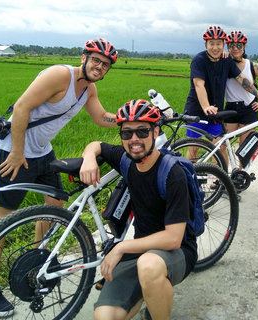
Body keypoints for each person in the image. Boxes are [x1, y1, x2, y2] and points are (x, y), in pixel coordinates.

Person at [0, 38, 119, 317]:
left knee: (55, 208)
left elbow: (101, 117)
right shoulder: (60, 75)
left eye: (105, 65)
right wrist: (18, 153)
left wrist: (133, 117)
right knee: (3, 216)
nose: (99, 66)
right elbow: (21, 107)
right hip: (15, 151)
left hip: (43, 153)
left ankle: (37, 261)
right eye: (96, 60)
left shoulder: (88, 90)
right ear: (84, 57)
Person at [79, 100, 197, 320]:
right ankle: (150, 291)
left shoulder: (173, 174)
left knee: (149, 266)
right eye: (127, 133)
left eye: (142, 131)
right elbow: (96, 145)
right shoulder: (126, 160)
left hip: (178, 251)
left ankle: (155, 306)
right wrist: (88, 159)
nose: (134, 139)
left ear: (156, 132)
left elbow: (173, 238)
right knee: (104, 317)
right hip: (141, 251)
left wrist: (121, 248)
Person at [183, 26, 258, 161]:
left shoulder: (226, 60)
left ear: (224, 45)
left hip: (215, 112)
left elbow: (242, 79)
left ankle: (220, 179)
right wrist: (206, 107)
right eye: (211, 43)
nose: (215, 47)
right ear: (205, 44)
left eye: (219, 43)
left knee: (220, 147)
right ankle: (192, 178)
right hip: (196, 111)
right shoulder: (199, 60)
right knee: (194, 147)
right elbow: (198, 84)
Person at [224, 30, 258, 166]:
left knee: (245, 147)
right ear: (227, 47)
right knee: (223, 145)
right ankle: (221, 177)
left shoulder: (252, 66)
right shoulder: (224, 64)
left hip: (249, 108)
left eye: (239, 45)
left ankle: (240, 177)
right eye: (231, 46)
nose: (235, 49)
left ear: (244, 47)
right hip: (230, 108)